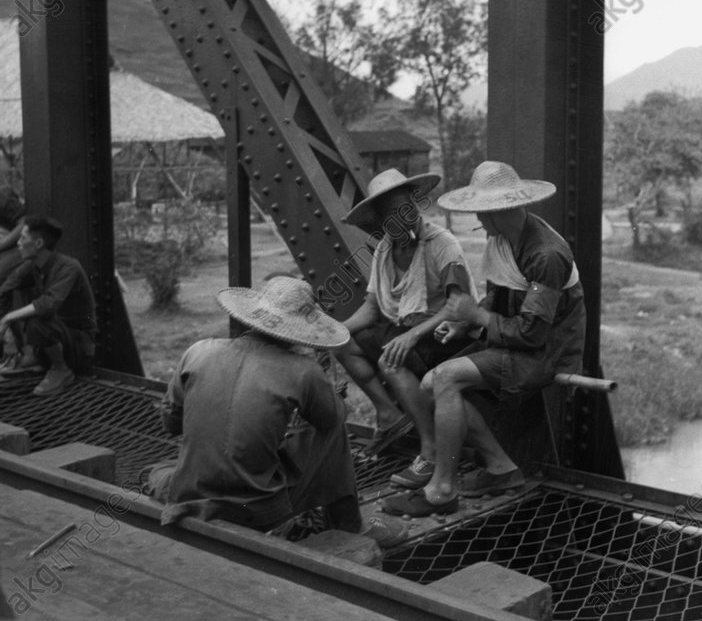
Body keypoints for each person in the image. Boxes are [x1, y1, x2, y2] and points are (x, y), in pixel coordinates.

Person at [383, 161, 586, 517]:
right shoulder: (504, 239)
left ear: (500, 210)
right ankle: (500, 467)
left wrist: (475, 316)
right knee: (433, 383)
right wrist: (465, 323)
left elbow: (533, 332)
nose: (478, 218)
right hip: (516, 342)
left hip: (546, 352)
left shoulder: (545, 255)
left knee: (445, 378)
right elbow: (497, 297)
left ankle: (442, 489)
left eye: (481, 211)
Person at [149, 276, 406, 547]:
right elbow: (332, 418)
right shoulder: (304, 371)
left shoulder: (198, 350)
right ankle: (350, 524)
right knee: (333, 431)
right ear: (303, 329)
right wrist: (331, 391)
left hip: (189, 492)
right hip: (255, 510)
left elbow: (171, 423)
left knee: (164, 471)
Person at [337, 168, 477, 488]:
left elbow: (459, 305)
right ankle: (389, 415)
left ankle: (428, 449)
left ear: (415, 207)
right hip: (409, 331)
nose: (404, 219)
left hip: (446, 335)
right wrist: (331, 332)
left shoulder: (443, 243)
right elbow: (372, 308)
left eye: (408, 209)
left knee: (392, 357)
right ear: (382, 222)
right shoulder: (385, 250)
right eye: (393, 216)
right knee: (343, 343)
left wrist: (414, 334)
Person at [0, 215, 97, 397]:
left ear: (38, 244)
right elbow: (4, 289)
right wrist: (9, 333)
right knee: (28, 313)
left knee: (38, 317)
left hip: (80, 346)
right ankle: (35, 357)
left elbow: (48, 305)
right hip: (58, 338)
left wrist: (7, 318)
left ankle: (61, 369)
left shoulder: (69, 267)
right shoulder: (32, 265)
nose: (18, 244)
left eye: (23, 238)